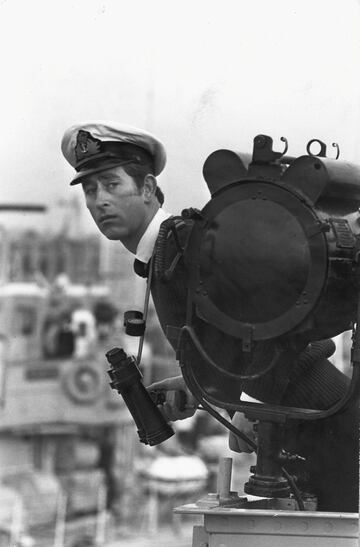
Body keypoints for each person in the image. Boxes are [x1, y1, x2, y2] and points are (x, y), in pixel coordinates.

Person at [61, 121, 358, 512]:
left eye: (111, 185)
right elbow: (241, 339)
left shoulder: (185, 248)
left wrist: (237, 401)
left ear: (148, 188)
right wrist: (196, 384)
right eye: (90, 189)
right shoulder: (174, 251)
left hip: (325, 424)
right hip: (312, 419)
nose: (99, 200)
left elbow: (274, 335)